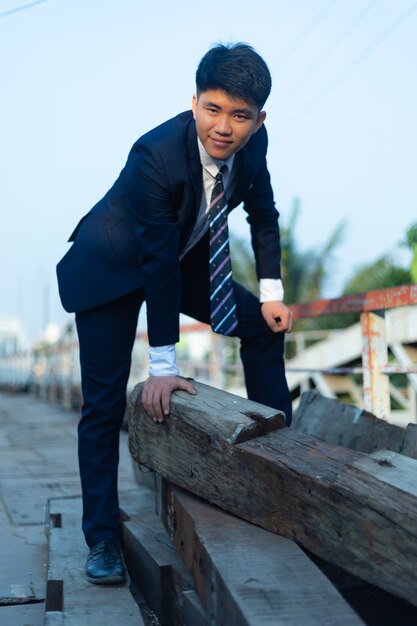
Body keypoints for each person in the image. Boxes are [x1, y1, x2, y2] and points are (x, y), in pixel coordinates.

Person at [56, 42, 293, 585]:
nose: (224, 127)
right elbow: (156, 265)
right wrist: (162, 368)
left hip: (176, 260)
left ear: (259, 119)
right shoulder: (155, 154)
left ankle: (281, 458)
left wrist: (273, 291)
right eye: (213, 109)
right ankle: (103, 540)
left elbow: (264, 214)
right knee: (102, 404)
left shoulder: (254, 147)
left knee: (263, 324)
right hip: (111, 268)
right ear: (194, 102)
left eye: (240, 115)